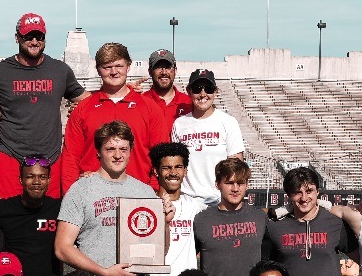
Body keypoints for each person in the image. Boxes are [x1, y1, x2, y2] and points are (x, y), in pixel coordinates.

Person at [55, 121, 154, 276]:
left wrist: (167, 222)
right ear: (99, 152)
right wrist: (104, 272)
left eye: (123, 149)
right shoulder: (81, 189)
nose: (117, 155)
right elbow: (62, 247)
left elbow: (156, 250)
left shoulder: (144, 192)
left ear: (131, 151)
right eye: (110, 149)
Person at [0, 12, 84, 198]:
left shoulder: (60, 70)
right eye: (28, 36)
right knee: (4, 215)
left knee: (49, 220)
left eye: (39, 36)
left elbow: (86, 100)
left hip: (50, 158)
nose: (34, 41)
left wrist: (122, 90)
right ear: (17, 38)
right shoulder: (0, 72)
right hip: (11, 155)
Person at [59, 41, 162, 186]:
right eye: (107, 67)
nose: (114, 72)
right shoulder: (82, 109)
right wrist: (71, 197)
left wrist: (152, 194)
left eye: (119, 66)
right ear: (98, 70)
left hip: (137, 195)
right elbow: (71, 159)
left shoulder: (149, 107)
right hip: (93, 194)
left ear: (128, 66)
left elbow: (161, 157)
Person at [193, 157, 269, 276]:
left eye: (240, 183)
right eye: (230, 183)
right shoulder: (202, 220)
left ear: (247, 185)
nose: (236, 189)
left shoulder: (259, 218)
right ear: (217, 184)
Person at [171, 70, 247, 205]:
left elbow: (236, 167)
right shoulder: (179, 124)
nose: (203, 94)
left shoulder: (228, 122)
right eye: (197, 89)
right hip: (188, 199)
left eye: (209, 89)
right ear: (189, 91)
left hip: (218, 200)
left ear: (215, 92)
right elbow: (176, 165)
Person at [146, 142, 201, 276]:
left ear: (185, 170)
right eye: (166, 167)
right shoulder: (145, 206)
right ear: (156, 171)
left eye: (178, 167)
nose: (173, 172)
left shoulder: (196, 207)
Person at [142, 49, 191, 128]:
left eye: (168, 67)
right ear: (150, 72)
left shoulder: (188, 102)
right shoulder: (141, 102)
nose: (164, 72)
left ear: (175, 71)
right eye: (159, 67)